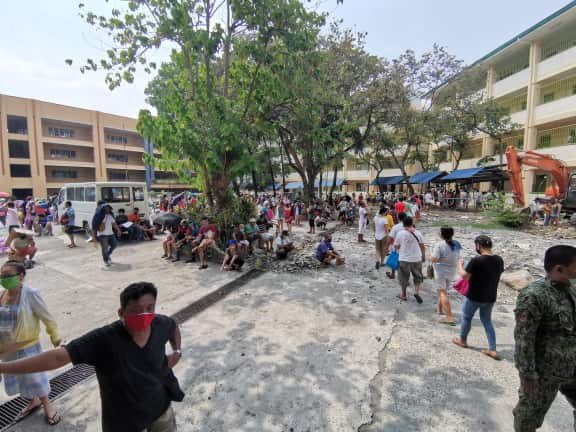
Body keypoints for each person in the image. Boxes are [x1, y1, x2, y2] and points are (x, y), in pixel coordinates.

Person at [0, 282, 183, 431]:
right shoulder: (104, 339)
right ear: (121, 313)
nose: (144, 314)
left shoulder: (160, 323)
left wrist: (177, 351)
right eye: (135, 309)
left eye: (149, 307)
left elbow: (173, 327)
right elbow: (57, 358)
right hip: (125, 422)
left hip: (162, 412)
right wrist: (4, 367)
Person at [512, 245, 576, 432]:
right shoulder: (533, 295)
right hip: (545, 372)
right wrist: (527, 374)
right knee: (529, 416)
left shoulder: (570, 289)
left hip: (572, 366)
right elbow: (524, 339)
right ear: (559, 269)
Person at [0, 261, 61, 425]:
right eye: (1, 275)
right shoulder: (2, 294)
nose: (3, 279)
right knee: (20, 378)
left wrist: (54, 336)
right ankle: (33, 401)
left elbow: (46, 316)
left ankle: (47, 405)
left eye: (7, 275)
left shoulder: (30, 293)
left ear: (21, 276)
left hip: (27, 346)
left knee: (35, 378)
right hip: (6, 348)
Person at [452, 235, 504, 360]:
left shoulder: (477, 260)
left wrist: (459, 265)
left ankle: (462, 340)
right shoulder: (499, 260)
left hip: (474, 296)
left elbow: (465, 276)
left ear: (478, 246)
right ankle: (493, 349)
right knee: (487, 320)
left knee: (466, 317)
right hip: (490, 296)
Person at [430, 227, 461, 326]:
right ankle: (439, 310)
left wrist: (430, 256)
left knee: (443, 292)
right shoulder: (457, 243)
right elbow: (456, 256)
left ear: (441, 234)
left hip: (440, 271)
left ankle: (449, 317)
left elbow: (434, 259)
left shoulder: (439, 245)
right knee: (443, 290)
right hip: (452, 271)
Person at [394, 216, 425, 303]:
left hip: (404, 259)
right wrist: (423, 256)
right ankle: (416, 292)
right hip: (416, 259)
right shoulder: (418, 233)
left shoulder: (400, 233)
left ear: (403, 224)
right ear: (412, 223)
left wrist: (401, 245)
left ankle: (404, 295)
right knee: (418, 277)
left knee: (403, 278)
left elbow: (396, 246)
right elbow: (422, 246)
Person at [386, 212, 406, 279]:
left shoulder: (395, 227)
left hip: (396, 247)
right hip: (406, 247)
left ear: (398, 218)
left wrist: (386, 248)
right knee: (404, 262)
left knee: (394, 260)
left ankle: (393, 274)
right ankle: (404, 277)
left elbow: (390, 238)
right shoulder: (408, 226)